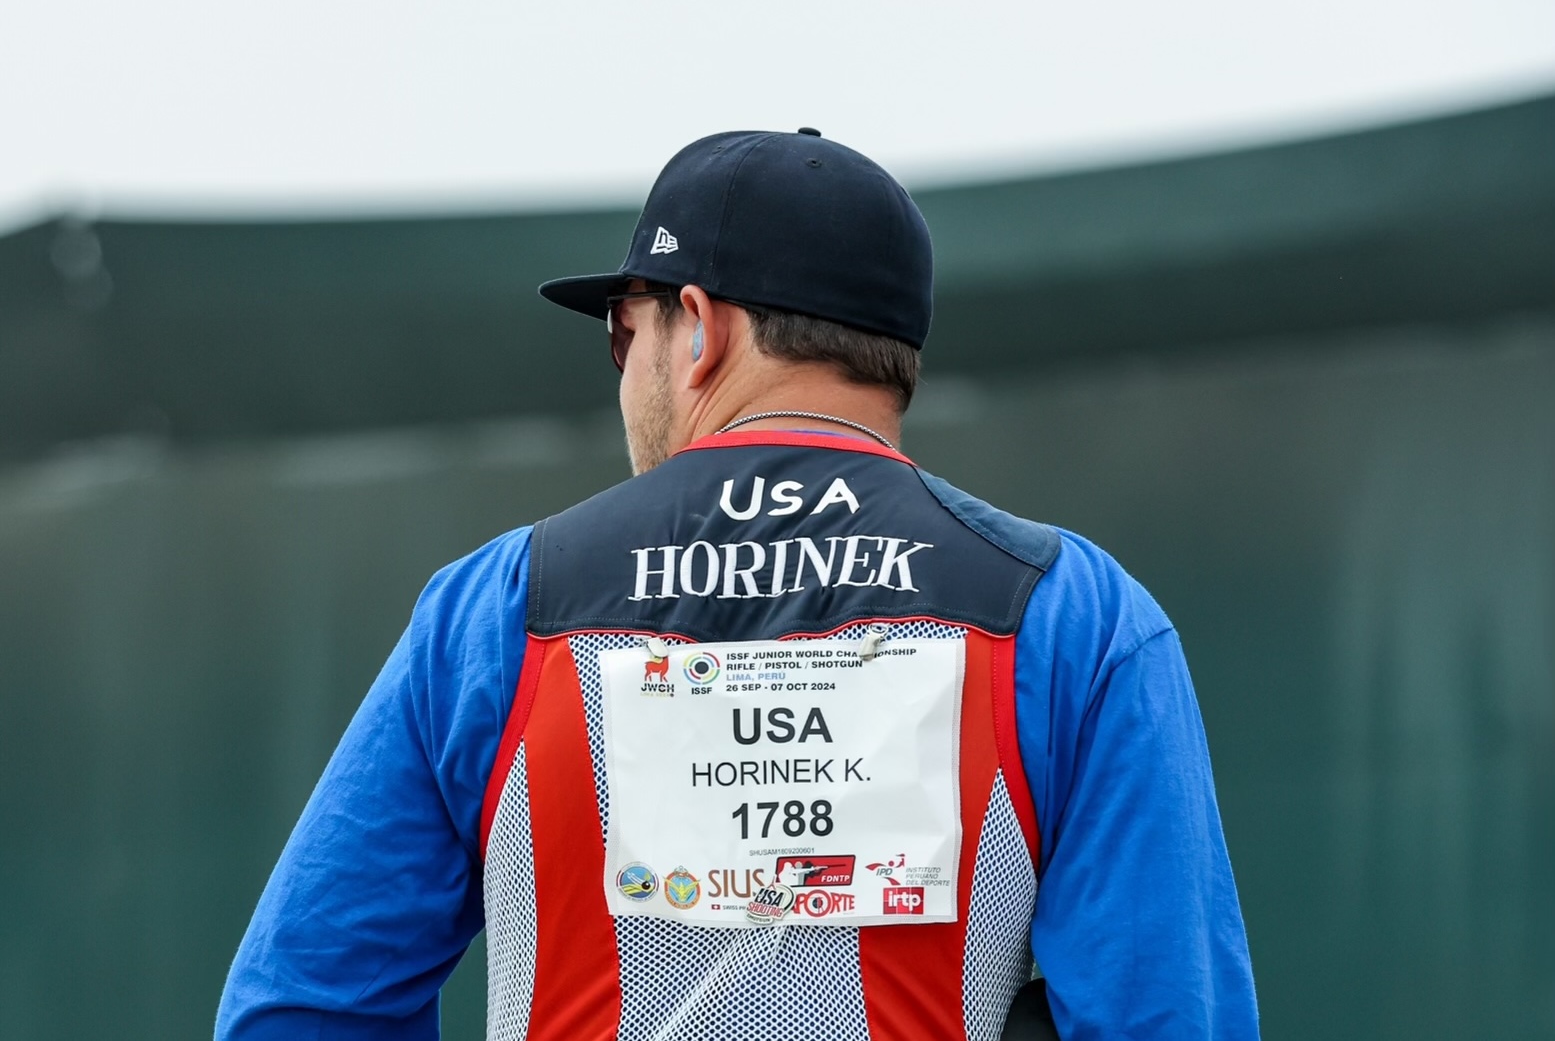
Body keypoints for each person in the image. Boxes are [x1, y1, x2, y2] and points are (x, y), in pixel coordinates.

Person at [217, 128, 1259, 1041]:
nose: (624, 369)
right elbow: (1163, 1014)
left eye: (625, 331)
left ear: (701, 328)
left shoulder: (496, 611)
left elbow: (303, 1005)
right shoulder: (1071, 618)